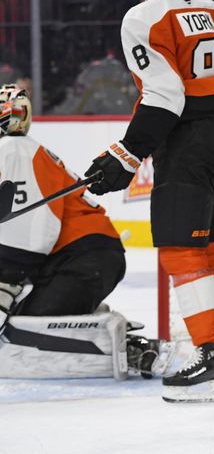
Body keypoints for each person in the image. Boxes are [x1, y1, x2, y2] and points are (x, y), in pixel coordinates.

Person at [83, 0, 214, 403]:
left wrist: (127, 153)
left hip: (187, 143)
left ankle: (210, 355)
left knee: (182, 252)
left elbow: (164, 95)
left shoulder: (141, 16)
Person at [0, 84, 168, 381]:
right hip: (86, 258)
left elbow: (36, 232)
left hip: (83, 258)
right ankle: (112, 334)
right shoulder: (21, 149)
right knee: (25, 316)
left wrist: (7, 277)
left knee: (23, 327)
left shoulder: (13, 149)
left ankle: (129, 349)